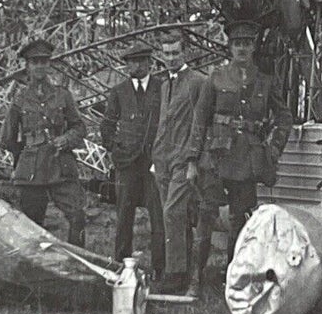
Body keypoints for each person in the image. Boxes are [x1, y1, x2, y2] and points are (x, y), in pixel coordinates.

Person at [190, 19, 293, 279]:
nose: (242, 49)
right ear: (229, 47)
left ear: (254, 46)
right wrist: (192, 159)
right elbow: (200, 119)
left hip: (247, 159)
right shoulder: (216, 78)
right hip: (216, 156)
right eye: (237, 44)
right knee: (206, 216)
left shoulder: (265, 81)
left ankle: (233, 276)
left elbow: (284, 117)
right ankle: (195, 278)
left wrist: (273, 149)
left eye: (247, 44)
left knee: (241, 220)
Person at [0, 37, 88, 247]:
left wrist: (67, 139)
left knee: (78, 217)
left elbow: (80, 127)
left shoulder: (62, 95)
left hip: (61, 166)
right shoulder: (20, 99)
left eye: (44, 62)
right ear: (27, 66)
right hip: (32, 172)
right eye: (35, 62)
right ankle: (36, 272)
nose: (40, 66)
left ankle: (77, 264)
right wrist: (25, 155)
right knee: (32, 226)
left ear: (50, 65)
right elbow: (7, 139)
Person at [149, 25, 208, 298]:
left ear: (186, 52)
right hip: (162, 158)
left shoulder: (197, 82)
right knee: (172, 216)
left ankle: (175, 275)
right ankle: (181, 271)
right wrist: (155, 156)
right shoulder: (164, 84)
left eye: (176, 52)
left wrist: (193, 159)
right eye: (167, 53)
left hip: (183, 158)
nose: (171, 57)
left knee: (173, 212)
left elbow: (200, 124)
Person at [101, 41, 165, 277]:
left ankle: (160, 269)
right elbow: (107, 125)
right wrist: (116, 151)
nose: (133, 66)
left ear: (149, 62)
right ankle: (120, 267)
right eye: (129, 62)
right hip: (127, 164)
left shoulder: (162, 88)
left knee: (158, 217)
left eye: (139, 61)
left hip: (153, 163)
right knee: (124, 216)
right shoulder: (118, 91)